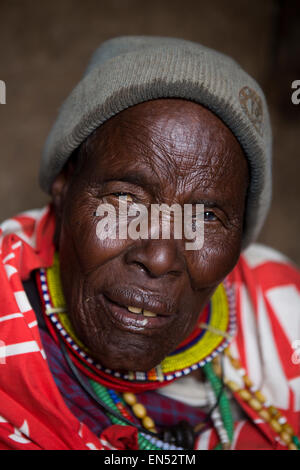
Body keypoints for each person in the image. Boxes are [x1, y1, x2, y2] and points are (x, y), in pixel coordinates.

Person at [0, 36, 299, 451]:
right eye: (125, 199)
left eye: (206, 217)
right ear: (64, 186)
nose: (159, 257)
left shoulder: (283, 307)